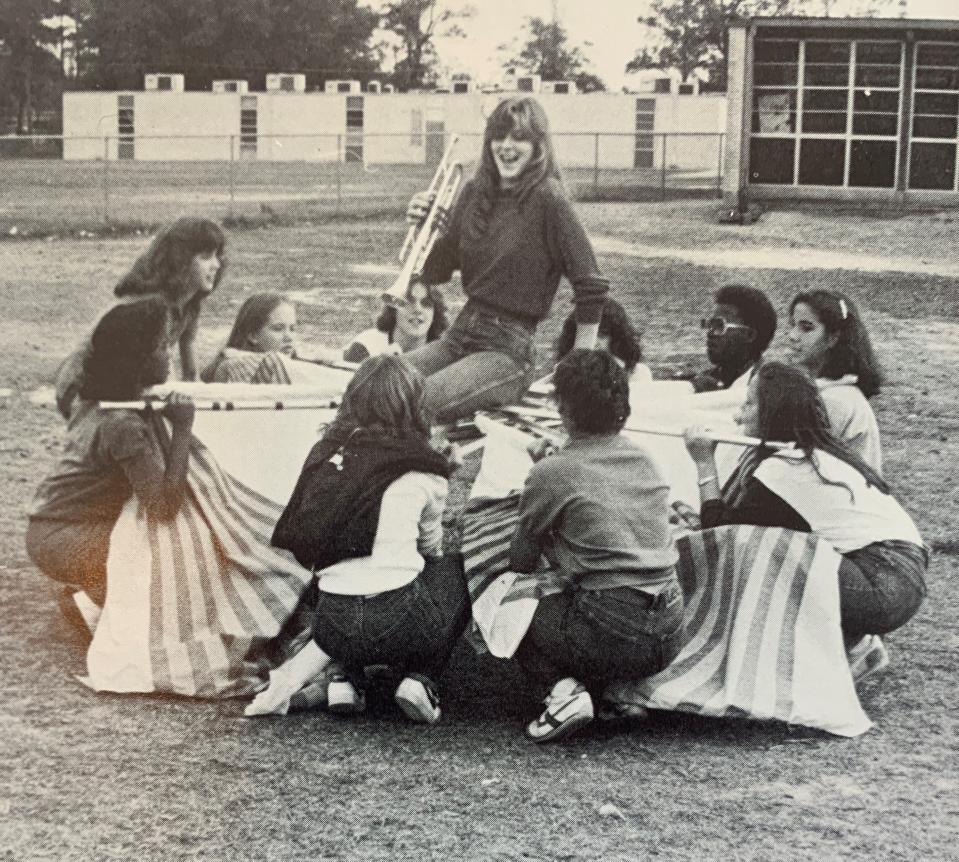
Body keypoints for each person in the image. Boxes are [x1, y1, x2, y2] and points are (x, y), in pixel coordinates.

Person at [684, 362, 926, 679]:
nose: (738, 415)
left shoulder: (783, 468)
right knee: (783, 546)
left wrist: (704, 463)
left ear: (773, 411)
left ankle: (839, 650)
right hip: (906, 574)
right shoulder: (822, 453)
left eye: (749, 404)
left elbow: (724, 537)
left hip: (880, 583)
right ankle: (852, 644)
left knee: (763, 553)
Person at [271, 355, 468, 724]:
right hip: (398, 619)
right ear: (415, 407)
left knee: (349, 574)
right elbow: (430, 547)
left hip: (332, 624)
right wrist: (443, 476)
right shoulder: (424, 469)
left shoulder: (329, 456)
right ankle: (421, 679)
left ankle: (347, 676)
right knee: (452, 570)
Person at [508, 350, 685, 743]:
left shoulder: (553, 471)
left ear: (563, 408)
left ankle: (561, 694)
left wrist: (541, 482)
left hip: (611, 628)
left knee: (511, 606)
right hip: (671, 625)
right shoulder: (646, 459)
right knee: (595, 602)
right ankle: (619, 693)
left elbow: (520, 561)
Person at [403, 96, 608, 422]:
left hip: (507, 351)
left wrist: (578, 366)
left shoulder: (549, 198)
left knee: (417, 403)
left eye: (520, 138)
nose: (507, 146)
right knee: (374, 381)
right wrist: (420, 228)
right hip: (460, 333)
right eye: (499, 136)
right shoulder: (474, 192)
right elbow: (436, 270)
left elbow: (591, 284)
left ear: (538, 146)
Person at [26, 297, 195, 615]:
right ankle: (92, 604)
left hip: (48, 530)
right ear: (137, 360)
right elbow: (164, 506)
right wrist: (183, 427)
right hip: (67, 537)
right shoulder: (122, 425)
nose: (169, 353)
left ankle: (93, 595)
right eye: (161, 347)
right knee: (172, 552)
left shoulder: (92, 401)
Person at [55, 217, 226, 417]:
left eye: (217, 256)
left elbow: (189, 360)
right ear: (180, 261)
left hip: (124, 380)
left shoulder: (190, 302)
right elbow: (164, 366)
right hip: (84, 386)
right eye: (206, 257)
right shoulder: (151, 305)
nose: (216, 265)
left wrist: (197, 394)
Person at [788, 290, 883, 472]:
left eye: (806, 328)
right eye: (793, 325)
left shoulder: (833, 400)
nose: (793, 335)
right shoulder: (833, 389)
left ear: (833, 337)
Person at [689, 284, 777, 394]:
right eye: (709, 325)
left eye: (719, 326)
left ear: (750, 335)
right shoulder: (701, 383)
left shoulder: (770, 391)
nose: (710, 333)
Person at [342, 280, 449, 363]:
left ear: (435, 314)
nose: (417, 309)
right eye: (408, 301)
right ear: (394, 310)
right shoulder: (368, 345)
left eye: (426, 303)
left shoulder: (443, 354)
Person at [555, 298, 653, 386]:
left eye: (601, 335)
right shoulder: (563, 372)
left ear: (616, 338)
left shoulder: (638, 373)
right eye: (586, 335)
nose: (594, 342)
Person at [201, 293, 297, 382]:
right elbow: (274, 361)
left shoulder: (296, 365)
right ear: (253, 335)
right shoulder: (230, 367)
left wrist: (240, 354)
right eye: (278, 329)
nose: (289, 337)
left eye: (292, 329)